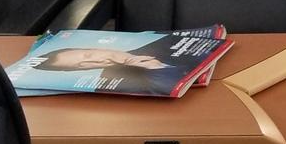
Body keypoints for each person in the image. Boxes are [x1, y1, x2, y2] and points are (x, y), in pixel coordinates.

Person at [28, 36, 196, 94]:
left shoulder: (166, 41)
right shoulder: (111, 85)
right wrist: (155, 69)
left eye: (88, 55)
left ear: (94, 47)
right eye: (81, 65)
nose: (94, 62)